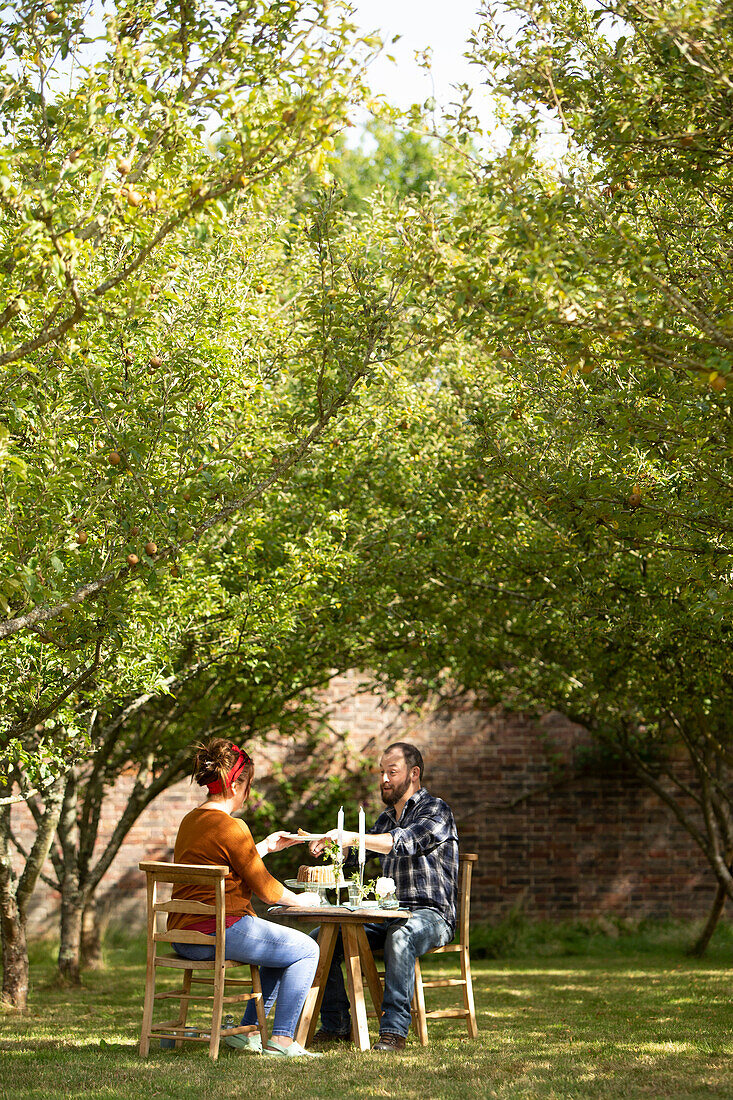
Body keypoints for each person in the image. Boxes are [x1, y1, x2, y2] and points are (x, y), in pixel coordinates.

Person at [168, 737, 322, 1058]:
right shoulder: (232, 826)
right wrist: (302, 900)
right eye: (248, 784)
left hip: (183, 935)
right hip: (217, 932)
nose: (248, 793)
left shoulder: (190, 821)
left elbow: (221, 860)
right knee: (306, 949)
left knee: (281, 949)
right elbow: (267, 890)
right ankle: (280, 1040)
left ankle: (249, 1032)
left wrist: (263, 847)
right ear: (238, 784)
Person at [309, 741, 459, 1052]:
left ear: (414, 773)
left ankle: (393, 1032)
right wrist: (333, 847)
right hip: (388, 912)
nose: (384, 780)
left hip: (432, 916)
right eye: (381, 772)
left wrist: (355, 837)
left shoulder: (436, 810)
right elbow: (359, 856)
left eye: (392, 772)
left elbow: (404, 842)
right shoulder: (386, 818)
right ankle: (336, 1023)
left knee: (401, 935)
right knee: (320, 938)